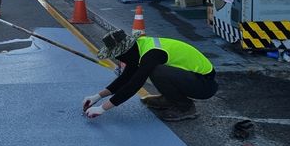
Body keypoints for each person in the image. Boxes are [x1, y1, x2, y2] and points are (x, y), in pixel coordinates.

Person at [82, 29, 218, 121]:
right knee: (155, 71)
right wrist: (97, 97)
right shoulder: (138, 48)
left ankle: (186, 107)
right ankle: (170, 99)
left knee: (156, 71)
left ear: (126, 51)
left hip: (204, 84)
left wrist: (102, 109)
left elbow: (134, 85)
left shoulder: (151, 54)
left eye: (118, 56)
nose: (119, 60)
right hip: (191, 78)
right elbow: (125, 77)